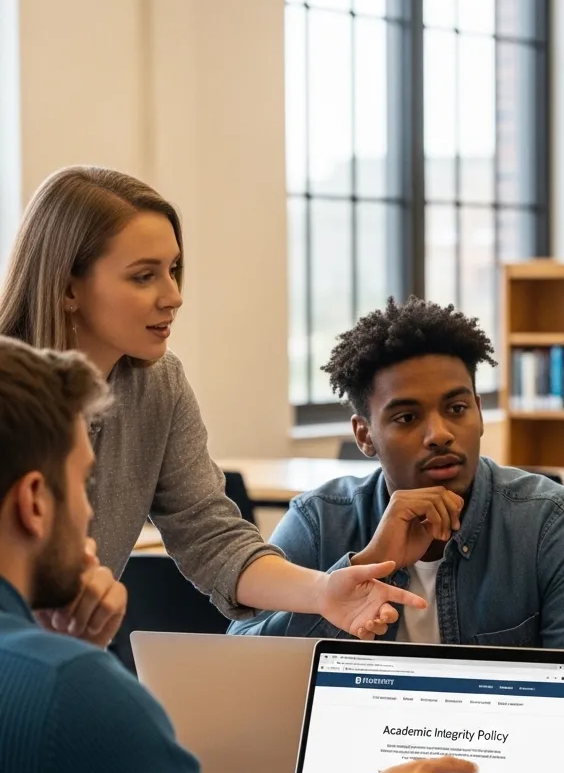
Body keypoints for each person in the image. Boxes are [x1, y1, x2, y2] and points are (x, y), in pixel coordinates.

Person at [0, 337, 477, 773]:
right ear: (33, 503)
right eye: (83, 483)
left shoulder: (51, 679)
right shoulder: (65, 692)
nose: (91, 513)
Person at [0, 166, 424, 647]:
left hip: (55, 658)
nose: (174, 296)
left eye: (173, 269)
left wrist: (325, 590)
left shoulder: (157, 384)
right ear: (68, 287)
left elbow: (212, 537)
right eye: (143, 276)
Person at [229, 296, 564, 754]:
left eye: (457, 408)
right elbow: (241, 680)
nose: (439, 433)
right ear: (365, 435)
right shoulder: (321, 521)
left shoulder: (552, 523)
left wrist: (404, 721)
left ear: (479, 413)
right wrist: (366, 566)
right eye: (406, 417)